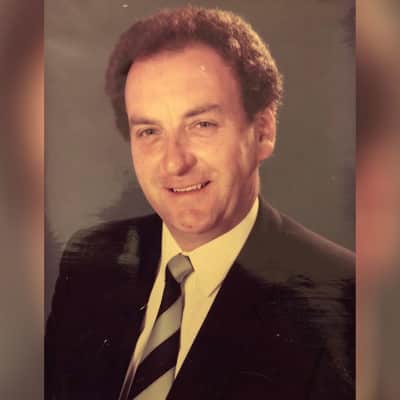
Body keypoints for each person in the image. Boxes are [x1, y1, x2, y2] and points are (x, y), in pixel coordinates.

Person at [45, 6, 355, 400]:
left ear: (262, 132)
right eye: (149, 132)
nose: (174, 163)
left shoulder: (347, 301)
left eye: (201, 125)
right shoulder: (91, 259)